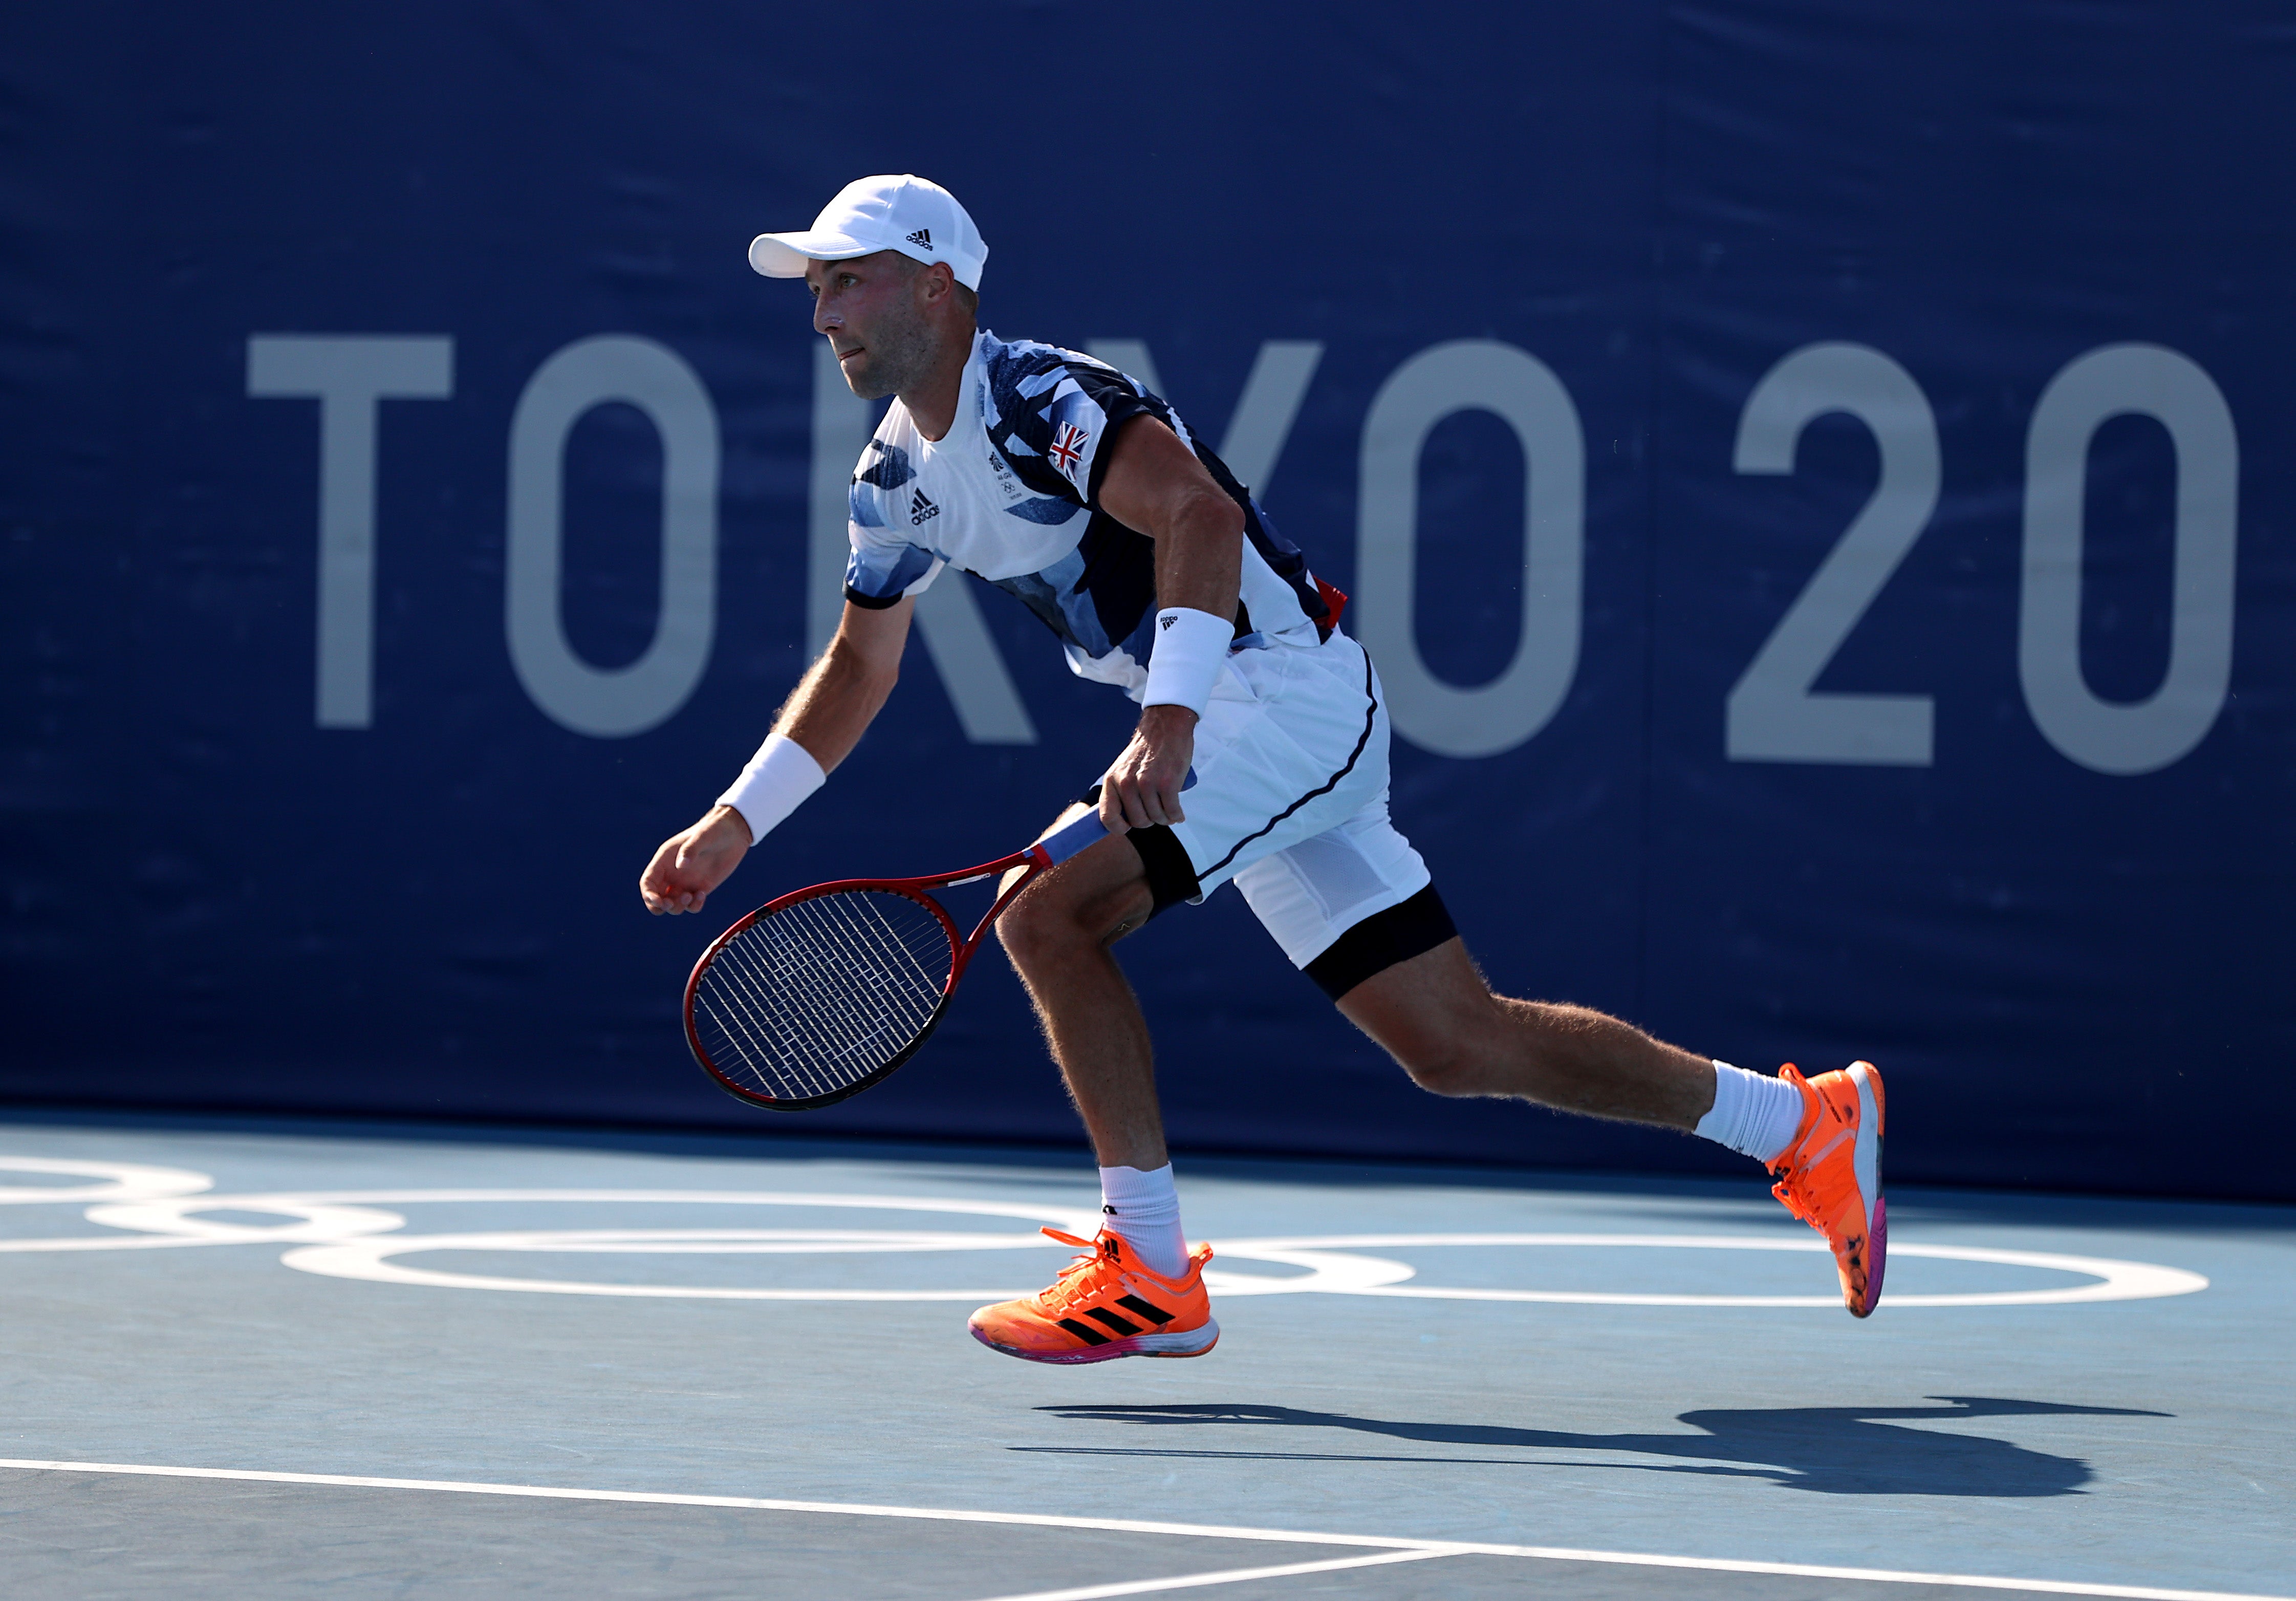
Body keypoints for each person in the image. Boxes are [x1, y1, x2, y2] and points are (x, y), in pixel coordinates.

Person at [639, 175, 1887, 1362]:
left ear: (934, 287)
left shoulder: (1043, 399)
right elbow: (858, 669)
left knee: (1046, 918)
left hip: (1278, 694)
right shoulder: (890, 483)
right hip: (1237, 723)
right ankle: (1804, 1124)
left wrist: (1168, 722)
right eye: (813, 289)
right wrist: (733, 823)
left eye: (845, 282)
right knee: (1453, 1044)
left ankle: (1150, 1270)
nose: (821, 313)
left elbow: (1200, 518)